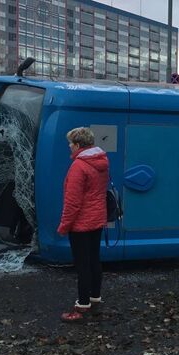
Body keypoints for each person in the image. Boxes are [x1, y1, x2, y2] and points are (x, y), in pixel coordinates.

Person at [57, 127, 109, 322]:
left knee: (82, 264)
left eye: (71, 143)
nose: (69, 147)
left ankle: (82, 305)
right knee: (94, 259)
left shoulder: (79, 166)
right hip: (96, 220)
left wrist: (64, 226)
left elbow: (72, 202)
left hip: (80, 223)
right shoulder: (101, 161)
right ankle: (95, 298)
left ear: (78, 145)